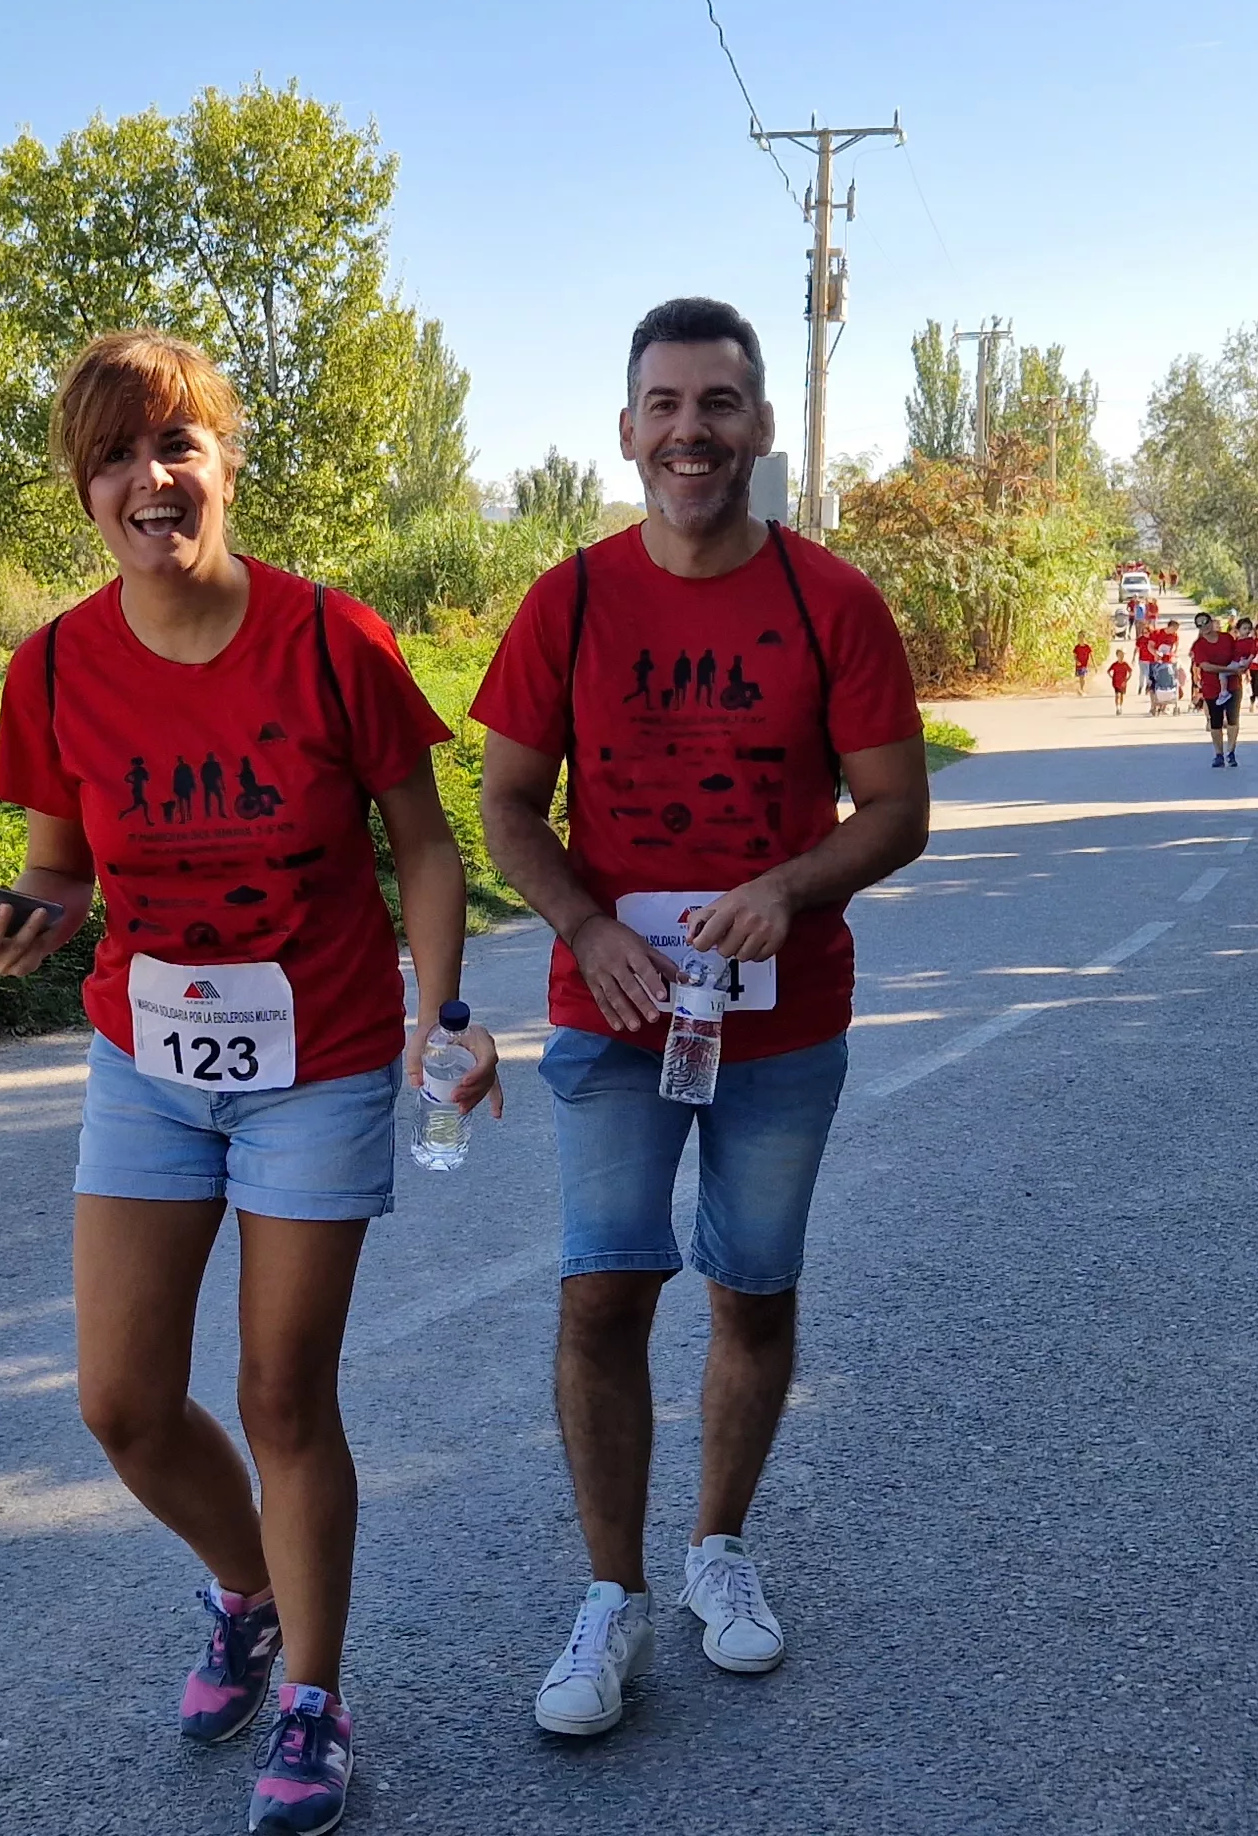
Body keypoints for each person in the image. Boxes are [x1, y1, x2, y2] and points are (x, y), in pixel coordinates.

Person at [0, 329, 501, 1836]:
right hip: (147, 1058)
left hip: (316, 1061)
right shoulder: (57, 665)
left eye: (177, 444)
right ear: (86, 493)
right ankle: (248, 1593)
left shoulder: (333, 641)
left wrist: (440, 1010)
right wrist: (23, 930)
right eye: (116, 457)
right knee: (123, 1404)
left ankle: (316, 1705)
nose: (151, 477)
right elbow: (59, 876)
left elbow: (430, 846)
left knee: (280, 1390)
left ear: (227, 461)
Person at [472, 297, 931, 1740]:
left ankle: (716, 1550)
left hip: (782, 1023)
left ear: (762, 428)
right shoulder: (571, 601)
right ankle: (609, 1595)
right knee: (603, 1289)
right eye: (665, 405)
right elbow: (500, 807)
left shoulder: (831, 601)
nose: (692, 432)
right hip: (612, 1014)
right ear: (625, 431)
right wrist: (588, 926)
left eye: (719, 404)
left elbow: (900, 810)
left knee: (753, 1289)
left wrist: (794, 886)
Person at [1190, 612, 1254, 767]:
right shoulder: (1199, 645)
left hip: (1233, 684)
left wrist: (1244, 667)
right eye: (1199, 624)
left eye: (1205, 622)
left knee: (1233, 719)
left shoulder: (1226, 638)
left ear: (1211, 622)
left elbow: (1238, 654)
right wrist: (1226, 670)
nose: (1203, 626)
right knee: (1216, 721)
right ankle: (1218, 753)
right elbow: (1205, 666)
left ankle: (1231, 751)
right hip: (1212, 687)